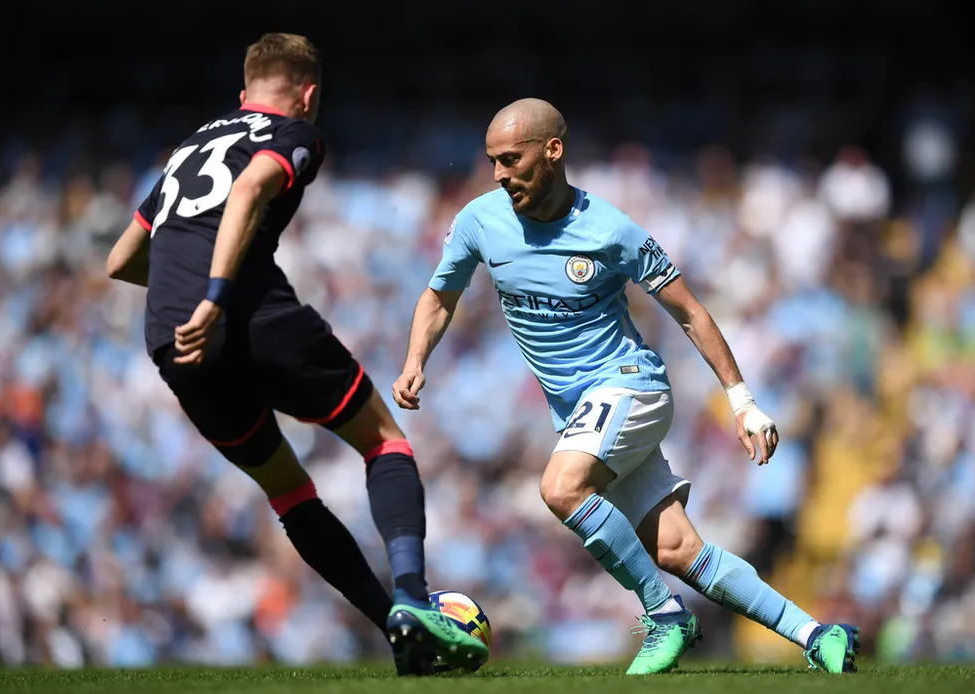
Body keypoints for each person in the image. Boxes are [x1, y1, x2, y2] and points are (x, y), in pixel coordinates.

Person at [392, 98, 859, 675]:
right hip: (582, 412)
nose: (499, 174)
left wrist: (744, 402)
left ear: (553, 151)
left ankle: (665, 616)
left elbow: (690, 312)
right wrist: (417, 359)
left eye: (511, 159)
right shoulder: (479, 222)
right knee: (676, 550)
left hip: (631, 387)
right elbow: (440, 296)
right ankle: (818, 635)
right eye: (493, 161)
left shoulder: (610, 230)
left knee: (561, 487)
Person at [106, 32, 487, 675]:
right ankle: (415, 602)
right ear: (308, 95)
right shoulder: (294, 134)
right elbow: (253, 187)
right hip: (248, 311)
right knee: (384, 441)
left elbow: (121, 260)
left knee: (288, 492)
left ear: (243, 92)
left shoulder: (187, 150)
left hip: (170, 337)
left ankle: (398, 636)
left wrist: (190, 299)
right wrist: (218, 296)